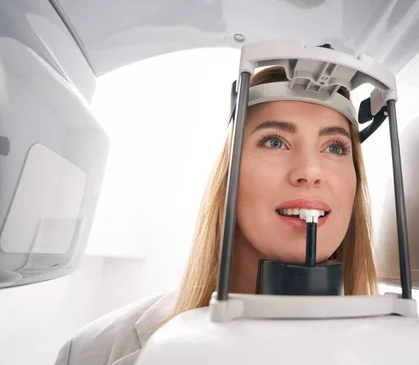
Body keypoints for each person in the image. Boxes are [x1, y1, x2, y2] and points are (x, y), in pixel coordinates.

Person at [54, 65, 379, 365]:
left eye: (335, 147)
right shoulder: (88, 353)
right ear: (229, 175)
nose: (309, 171)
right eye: (275, 141)